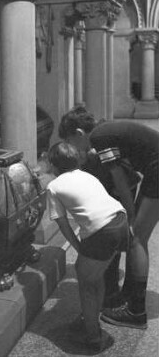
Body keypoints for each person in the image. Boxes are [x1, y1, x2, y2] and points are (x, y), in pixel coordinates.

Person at [58, 105, 159, 329]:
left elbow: (119, 179)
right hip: (154, 169)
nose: (73, 150)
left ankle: (136, 312)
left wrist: (129, 213)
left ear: (79, 134)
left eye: (71, 143)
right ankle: (132, 299)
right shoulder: (103, 131)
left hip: (157, 169)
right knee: (138, 238)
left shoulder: (100, 138)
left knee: (136, 240)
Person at [47, 141, 129, 351]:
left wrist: (78, 246)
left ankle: (92, 337)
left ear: (53, 165)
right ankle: (91, 318)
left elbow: (62, 222)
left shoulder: (53, 186)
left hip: (102, 230)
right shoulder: (87, 175)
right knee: (95, 277)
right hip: (120, 221)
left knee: (85, 282)